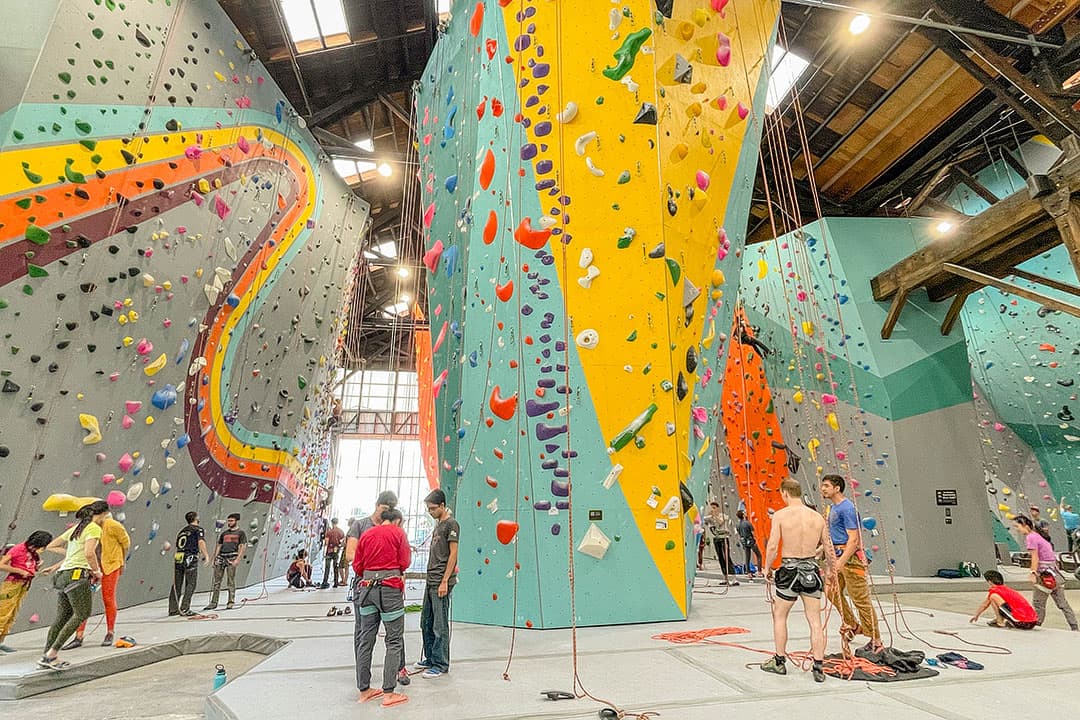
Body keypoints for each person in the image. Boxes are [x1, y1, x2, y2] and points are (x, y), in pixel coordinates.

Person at [761, 479, 835, 682]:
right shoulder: (817, 517)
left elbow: (773, 545)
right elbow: (828, 548)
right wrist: (832, 572)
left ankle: (779, 661)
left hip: (790, 572)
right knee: (815, 621)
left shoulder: (781, 515)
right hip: (811, 571)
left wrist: (767, 568)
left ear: (785, 493)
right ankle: (818, 666)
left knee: (780, 615)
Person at [38, 501, 109, 669]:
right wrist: (97, 571)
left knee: (62, 616)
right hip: (76, 575)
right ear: (101, 514)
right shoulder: (93, 528)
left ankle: (46, 654)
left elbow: (52, 545)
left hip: (63, 574)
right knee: (82, 613)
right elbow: (89, 553)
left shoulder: (77, 528)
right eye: (106, 515)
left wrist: (66, 556)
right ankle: (52, 654)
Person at [353, 508, 410, 708]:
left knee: (365, 640)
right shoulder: (398, 533)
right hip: (390, 590)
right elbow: (405, 562)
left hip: (366, 590)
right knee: (393, 640)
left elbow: (357, 566)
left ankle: (364, 690)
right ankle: (388, 693)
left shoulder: (367, 534)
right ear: (398, 520)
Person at [821, 474, 882, 652]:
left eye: (826, 486)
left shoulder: (847, 509)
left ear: (837, 488)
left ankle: (876, 640)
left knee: (860, 599)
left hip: (850, 558)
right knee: (831, 591)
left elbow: (853, 540)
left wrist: (839, 564)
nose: (823, 489)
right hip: (837, 556)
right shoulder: (834, 508)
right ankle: (852, 624)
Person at [64, 511, 130, 648]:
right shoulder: (87, 527)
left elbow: (126, 543)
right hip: (91, 566)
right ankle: (79, 635)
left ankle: (110, 632)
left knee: (108, 598)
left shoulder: (112, 525)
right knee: (82, 601)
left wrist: (122, 562)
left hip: (110, 565)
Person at [415, 489, 459, 679]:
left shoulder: (451, 524)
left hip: (441, 581)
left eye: (433, 508)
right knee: (426, 621)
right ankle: (431, 657)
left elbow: (453, 554)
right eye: (428, 509)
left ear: (442, 505)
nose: (430, 512)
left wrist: (444, 581)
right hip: (430, 580)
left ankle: (441, 663)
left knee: (439, 625)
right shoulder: (438, 524)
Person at [1014, 514, 1078, 630]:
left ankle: (1036, 624)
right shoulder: (1039, 536)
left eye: (1017, 526)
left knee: (1038, 603)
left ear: (1024, 525)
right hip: (1055, 574)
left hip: (1045, 576)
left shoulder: (1031, 537)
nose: (1016, 529)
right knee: (1063, 604)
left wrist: (1033, 572)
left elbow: (1035, 557)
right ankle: (1074, 626)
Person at [0, 530, 54, 653]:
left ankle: (1, 641)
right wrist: (19, 571)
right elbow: (1, 565)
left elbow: (29, 566)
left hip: (24, 585)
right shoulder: (18, 549)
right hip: (12, 584)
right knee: (3, 614)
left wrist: (38, 568)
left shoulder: (33, 553)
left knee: (12, 615)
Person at [169, 511, 210, 617]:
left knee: (177, 584)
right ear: (196, 518)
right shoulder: (198, 529)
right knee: (191, 583)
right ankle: (185, 608)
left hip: (179, 557)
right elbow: (201, 541)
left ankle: (173, 609)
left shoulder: (182, 531)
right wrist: (206, 555)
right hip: (190, 557)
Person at [204, 513, 247, 611]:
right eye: (228, 521)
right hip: (221, 557)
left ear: (236, 521)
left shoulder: (241, 533)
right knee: (216, 581)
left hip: (232, 557)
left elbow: (242, 547)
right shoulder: (224, 533)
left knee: (230, 581)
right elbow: (219, 545)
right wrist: (214, 558)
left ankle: (230, 602)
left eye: (231, 521)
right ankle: (213, 602)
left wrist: (237, 560)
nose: (229, 522)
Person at [970, 569, 1037, 629]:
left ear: (990, 582)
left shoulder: (995, 590)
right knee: (1008, 605)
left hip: (1021, 622)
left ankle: (1000, 622)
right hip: (1032, 622)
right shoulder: (1008, 590)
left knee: (993, 597)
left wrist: (976, 615)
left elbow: (985, 605)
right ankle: (999, 619)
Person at [704, 502, 737, 586]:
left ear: (718, 508)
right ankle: (725, 577)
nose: (713, 509)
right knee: (720, 558)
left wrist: (715, 516)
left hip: (724, 538)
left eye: (714, 508)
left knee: (726, 557)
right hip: (716, 538)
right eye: (711, 508)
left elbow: (720, 522)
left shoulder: (723, 516)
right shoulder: (710, 518)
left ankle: (733, 578)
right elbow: (703, 520)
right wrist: (709, 516)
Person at [735, 509, 763, 578]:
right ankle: (759, 572)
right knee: (759, 555)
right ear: (743, 515)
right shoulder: (748, 523)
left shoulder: (737, 525)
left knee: (747, 557)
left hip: (744, 541)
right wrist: (755, 538)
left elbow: (738, 533)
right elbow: (753, 532)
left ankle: (749, 573)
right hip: (750, 540)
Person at [321, 518, 345, 589]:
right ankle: (336, 582)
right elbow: (343, 542)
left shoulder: (329, 532)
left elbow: (326, 542)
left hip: (329, 551)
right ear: (337, 522)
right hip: (336, 550)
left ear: (331, 523)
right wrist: (339, 545)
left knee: (327, 567)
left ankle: (325, 582)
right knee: (335, 566)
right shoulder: (341, 531)